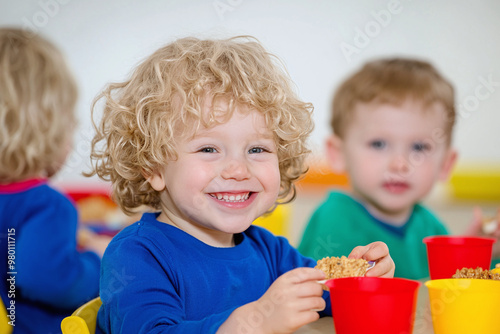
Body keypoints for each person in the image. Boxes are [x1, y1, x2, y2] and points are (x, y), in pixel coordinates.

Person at [87, 36, 395, 333]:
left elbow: (325, 300)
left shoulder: (270, 251)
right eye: (209, 149)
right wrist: (254, 323)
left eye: (257, 150)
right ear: (154, 167)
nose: (237, 169)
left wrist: (362, 282)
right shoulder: (137, 255)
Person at [298, 57, 500, 280]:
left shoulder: (430, 227)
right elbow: (314, 294)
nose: (400, 164)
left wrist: (476, 254)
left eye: (419, 147)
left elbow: (446, 292)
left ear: (445, 164)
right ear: (339, 154)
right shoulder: (333, 220)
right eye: (379, 144)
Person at [0, 28, 111, 333]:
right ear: (48, 128)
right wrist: (98, 261)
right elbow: (46, 277)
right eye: (70, 123)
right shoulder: (48, 206)